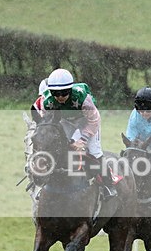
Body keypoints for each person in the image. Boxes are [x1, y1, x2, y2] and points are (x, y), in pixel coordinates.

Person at [30, 68, 116, 197]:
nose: (60, 97)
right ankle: (47, 183)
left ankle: (108, 184)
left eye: (64, 93)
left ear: (70, 90)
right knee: (56, 147)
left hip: (87, 121)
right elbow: (47, 122)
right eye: (56, 93)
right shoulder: (47, 101)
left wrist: (83, 140)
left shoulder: (82, 98)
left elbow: (94, 120)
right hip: (66, 121)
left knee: (95, 151)